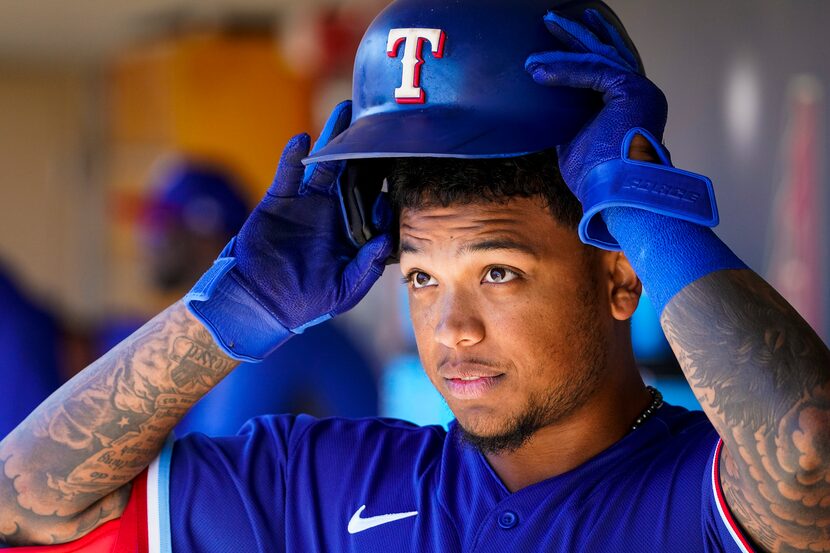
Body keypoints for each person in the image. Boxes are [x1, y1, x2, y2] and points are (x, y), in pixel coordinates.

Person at [1, 1, 828, 552]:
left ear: (620, 272)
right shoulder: (317, 482)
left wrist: (643, 209)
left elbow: (807, 459)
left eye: (498, 270)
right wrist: (233, 305)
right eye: (423, 276)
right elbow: (26, 496)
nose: (450, 330)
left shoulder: (700, 492)